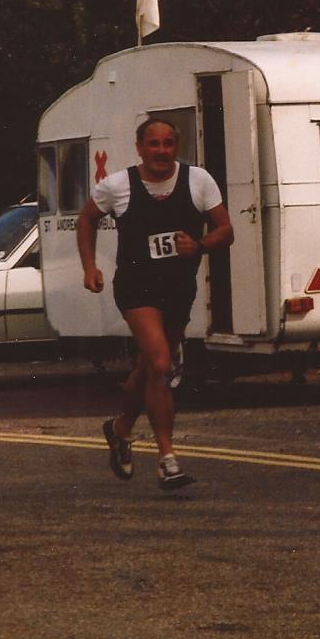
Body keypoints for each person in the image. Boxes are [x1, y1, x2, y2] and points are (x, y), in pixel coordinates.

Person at [77, 118, 234, 489]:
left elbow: (226, 230)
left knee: (151, 367)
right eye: (153, 144)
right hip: (136, 289)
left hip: (178, 290)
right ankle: (167, 459)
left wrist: (200, 245)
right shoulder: (117, 185)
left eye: (167, 144)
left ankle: (120, 429)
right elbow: (87, 219)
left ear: (175, 146)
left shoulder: (198, 181)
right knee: (162, 363)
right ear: (139, 147)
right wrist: (90, 267)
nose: (161, 151)